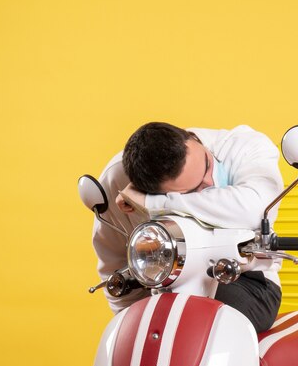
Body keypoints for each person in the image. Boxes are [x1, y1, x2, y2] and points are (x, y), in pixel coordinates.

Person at [92, 122, 284, 332]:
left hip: (242, 279)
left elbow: (252, 209)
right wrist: (128, 324)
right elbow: (114, 260)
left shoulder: (245, 146)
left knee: (202, 327)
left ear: (192, 139)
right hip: (157, 286)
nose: (210, 181)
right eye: (196, 190)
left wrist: (152, 204)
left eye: (208, 164)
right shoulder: (116, 180)